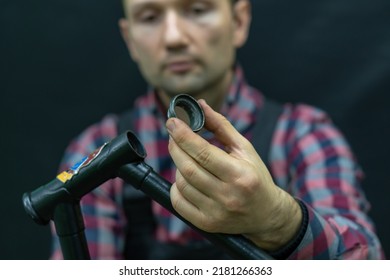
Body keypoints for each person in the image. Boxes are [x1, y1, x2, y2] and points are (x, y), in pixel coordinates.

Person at [50, 0, 384, 259]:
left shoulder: (304, 134)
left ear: (238, 21)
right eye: (150, 17)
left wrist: (279, 221)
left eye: (197, 10)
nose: (174, 38)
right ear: (130, 39)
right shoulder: (96, 150)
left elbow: (365, 262)